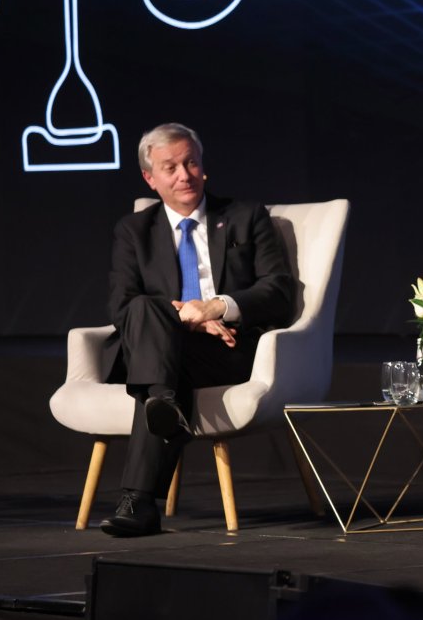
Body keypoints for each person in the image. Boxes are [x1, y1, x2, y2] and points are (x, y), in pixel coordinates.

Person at [98, 123, 295, 537]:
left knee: (162, 373)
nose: (184, 175)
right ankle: (162, 403)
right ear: (150, 178)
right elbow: (122, 306)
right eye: (169, 167)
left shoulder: (245, 217)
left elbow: (278, 291)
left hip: (227, 349)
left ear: (203, 165)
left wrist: (215, 307)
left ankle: (140, 495)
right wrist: (188, 318)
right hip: (156, 344)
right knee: (146, 312)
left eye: (190, 163)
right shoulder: (133, 230)